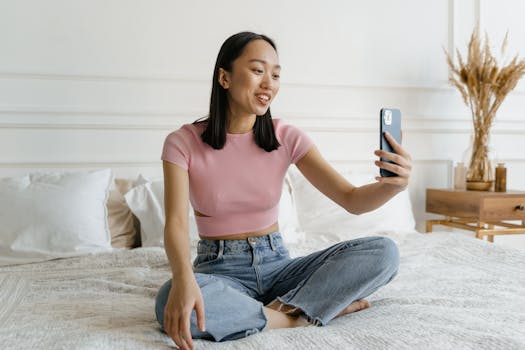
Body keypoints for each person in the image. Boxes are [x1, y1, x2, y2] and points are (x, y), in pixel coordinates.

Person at [155, 31, 411, 350]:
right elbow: (176, 223)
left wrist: (392, 186)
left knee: (384, 253)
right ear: (224, 77)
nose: (269, 84)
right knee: (169, 300)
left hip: (279, 266)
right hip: (219, 270)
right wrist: (183, 279)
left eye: (276, 75)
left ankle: (275, 313)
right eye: (258, 70)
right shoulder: (182, 143)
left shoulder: (286, 137)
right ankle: (299, 314)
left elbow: (352, 200)